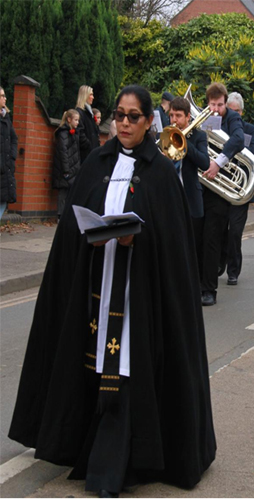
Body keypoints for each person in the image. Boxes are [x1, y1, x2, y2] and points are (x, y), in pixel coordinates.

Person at [8, 84, 216, 497]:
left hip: (138, 296)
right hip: (96, 285)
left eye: (132, 116)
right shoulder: (96, 162)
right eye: (118, 115)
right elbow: (71, 228)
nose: (123, 123)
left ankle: (129, 453)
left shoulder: (160, 173)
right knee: (90, 358)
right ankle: (83, 440)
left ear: (147, 122)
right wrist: (92, 235)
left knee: (126, 367)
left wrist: (137, 239)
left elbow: (174, 246)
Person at [199, 82, 245, 306]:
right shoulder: (202, 116)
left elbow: (237, 140)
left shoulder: (233, 119)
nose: (215, 109)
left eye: (219, 105)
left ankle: (209, 290)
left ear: (225, 103)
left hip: (219, 188)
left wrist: (218, 162)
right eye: (212, 104)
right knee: (197, 238)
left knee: (211, 239)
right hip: (200, 187)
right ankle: (197, 284)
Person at [218, 92, 254, 287]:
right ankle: (218, 263)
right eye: (231, 111)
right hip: (220, 187)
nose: (234, 115)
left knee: (234, 232)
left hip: (240, 189)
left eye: (237, 112)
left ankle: (233, 271)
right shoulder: (220, 127)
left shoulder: (249, 129)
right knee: (219, 231)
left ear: (242, 112)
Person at [167, 96, 208, 274]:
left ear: (187, 117)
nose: (174, 120)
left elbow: (205, 163)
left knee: (193, 247)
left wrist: (184, 143)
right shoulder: (166, 135)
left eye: (178, 116)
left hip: (191, 199)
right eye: (171, 116)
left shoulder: (199, 136)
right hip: (170, 199)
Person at [52, 109, 87, 219]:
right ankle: (60, 215)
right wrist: (66, 170)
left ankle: (67, 215)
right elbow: (63, 152)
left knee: (71, 192)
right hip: (65, 169)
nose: (77, 123)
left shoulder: (75, 133)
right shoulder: (63, 133)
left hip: (74, 168)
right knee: (63, 192)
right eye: (76, 120)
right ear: (69, 120)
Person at [0, 86, 18, 219]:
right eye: (2, 96)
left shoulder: (6, 117)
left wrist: (12, 156)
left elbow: (14, 138)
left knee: (3, 200)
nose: (5, 98)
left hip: (6, 167)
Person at [76, 85, 101, 162]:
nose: (93, 97)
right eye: (91, 94)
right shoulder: (80, 112)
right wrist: (89, 145)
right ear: (85, 95)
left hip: (91, 153)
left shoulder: (90, 113)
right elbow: (80, 132)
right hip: (85, 154)